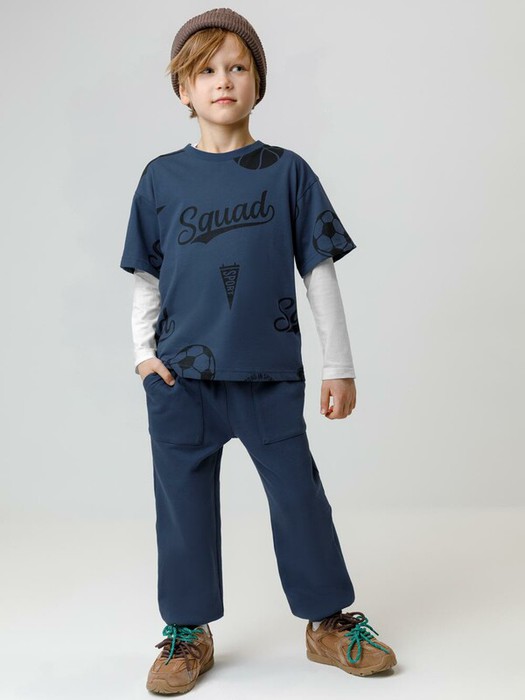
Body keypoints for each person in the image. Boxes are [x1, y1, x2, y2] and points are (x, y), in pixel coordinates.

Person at [119, 7, 397, 694]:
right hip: (181, 379)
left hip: (268, 376)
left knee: (299, 499)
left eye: (237, 67)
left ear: (257, 83)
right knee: (182, 509)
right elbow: (146, 276)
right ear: (183, 91)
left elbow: (319, 271)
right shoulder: (160, 179)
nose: (223, 80)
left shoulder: (287, 173)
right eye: (206, 71)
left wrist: (338, 365)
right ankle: (187, 631)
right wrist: (142, 355)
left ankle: (327, 622)